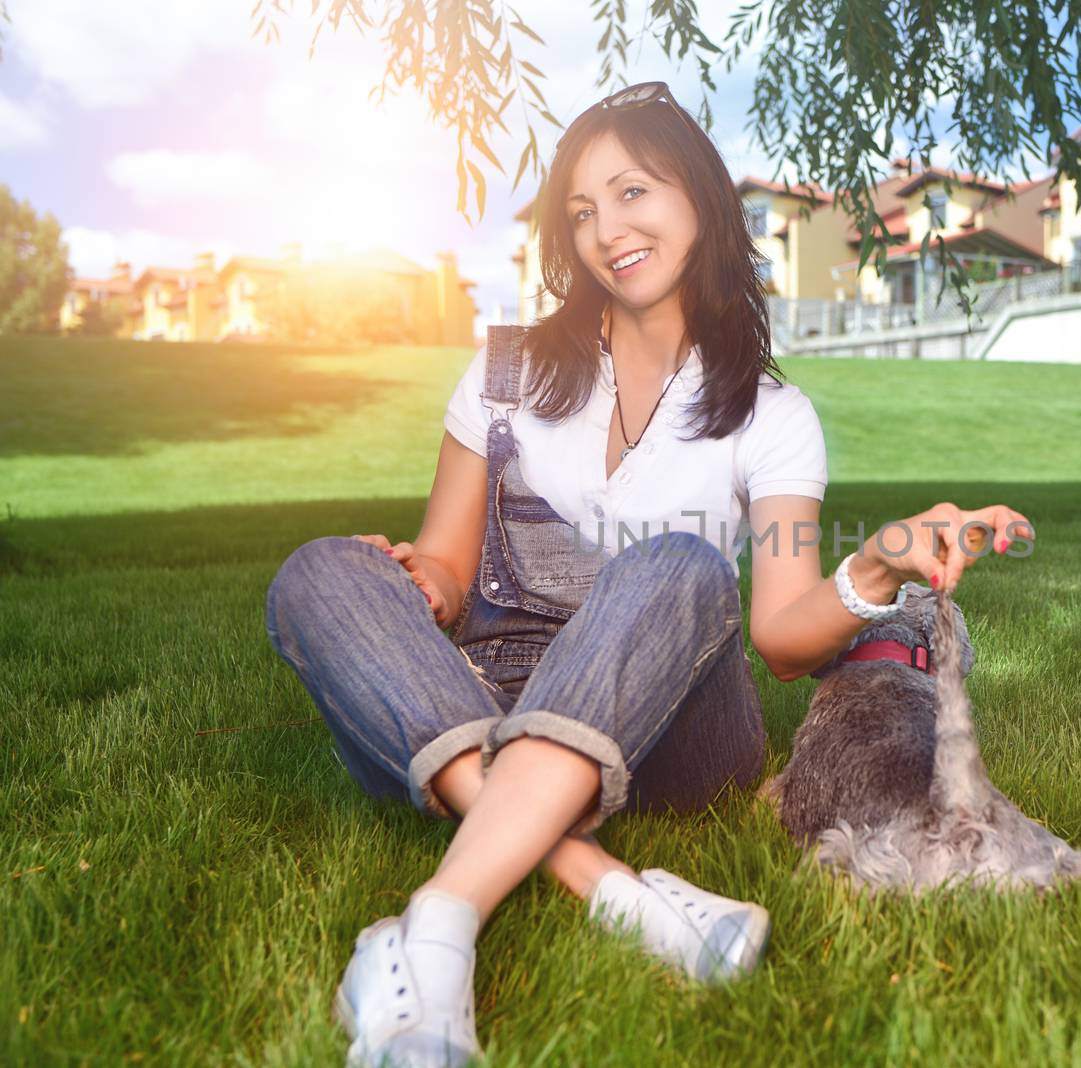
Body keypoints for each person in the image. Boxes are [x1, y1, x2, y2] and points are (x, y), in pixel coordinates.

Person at [264, 81, 1034, 1068]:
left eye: (632, 193)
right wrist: (409, 594)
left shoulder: (768, 416)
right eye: (581, 211)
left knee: (681, 565)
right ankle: (607, 888)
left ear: (700, 201)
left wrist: (875, 567)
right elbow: (449, 569)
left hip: (674, 732)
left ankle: (437, 927)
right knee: (321, 571)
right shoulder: (501, 372)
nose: (605, 230)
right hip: (490, 692)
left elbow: (783, 638)